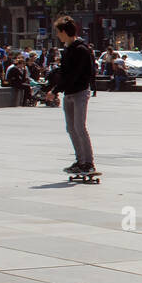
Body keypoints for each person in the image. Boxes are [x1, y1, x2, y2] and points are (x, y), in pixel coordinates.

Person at [42, 15, 97, 174]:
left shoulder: (81, 50)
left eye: (58, 32)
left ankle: (88, 163)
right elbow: (63, 73)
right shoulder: (67, 50)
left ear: (65, 31)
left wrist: (55, 90)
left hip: (79, 92)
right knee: (71, 128)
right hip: (69, 92)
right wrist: (53, 86)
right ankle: (80, 161)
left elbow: (74, 74)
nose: (57, 35)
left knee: (79, 127)